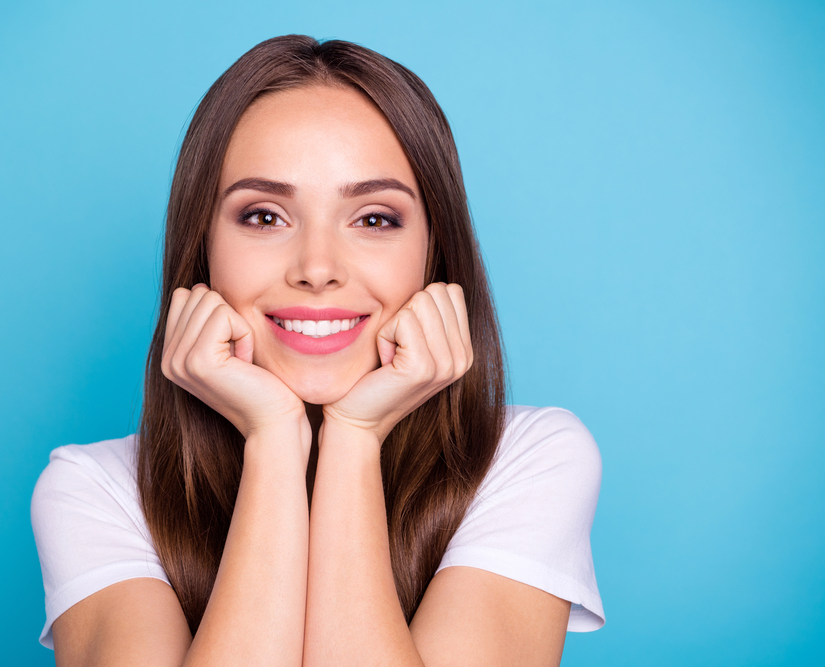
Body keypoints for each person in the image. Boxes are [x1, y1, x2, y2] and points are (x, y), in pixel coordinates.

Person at [31, 35, 604, 666]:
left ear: (433, 254)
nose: (317, 267)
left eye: (375, 219)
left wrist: (353, 439)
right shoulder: (95, 491)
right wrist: (273, 443)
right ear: (203, 248)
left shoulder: (529, 460)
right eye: (265, 217)